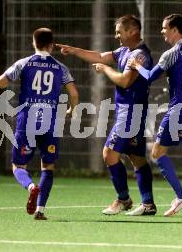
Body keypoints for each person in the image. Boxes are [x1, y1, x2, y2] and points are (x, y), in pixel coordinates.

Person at [57, 15, 157, 216]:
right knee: (136, 157)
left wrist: (105, 70)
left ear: (132, 31)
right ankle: (148, 204)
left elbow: (125, 81)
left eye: (120, 31)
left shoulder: (139, 55)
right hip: (132, 112)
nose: (117, 35)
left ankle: (123, 199)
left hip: (129, 113)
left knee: (109, 154)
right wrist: (74, 50)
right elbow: (100, 56)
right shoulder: (124, 51)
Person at [128, 14, 182, 217]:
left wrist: (136, 65)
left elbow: (149, 77)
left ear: (175, 29)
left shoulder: (171, 53)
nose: (162, 31)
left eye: (165, 27)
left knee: (157, 152)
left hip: (179, 109)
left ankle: (181, 197)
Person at [0, 27, 79, 220]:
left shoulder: (24, 63)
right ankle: (40, 210)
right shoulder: (60, 67)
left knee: (18, 166)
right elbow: (74, 94)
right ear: (51, 45)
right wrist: (71, 110)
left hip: (28, 120)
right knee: (48, 166)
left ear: (33, 43)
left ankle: (31, 186)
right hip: (50, 121)